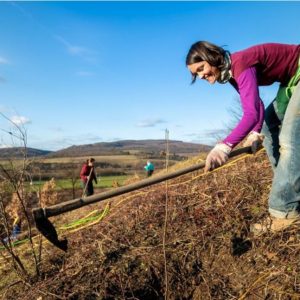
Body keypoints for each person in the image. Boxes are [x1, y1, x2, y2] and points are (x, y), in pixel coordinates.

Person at [186, 41, 300, 234]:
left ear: (212, 57)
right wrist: (256, 132)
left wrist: (224, 146)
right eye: (196, 74)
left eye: (201, 68)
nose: (201, 75)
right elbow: (257, 106)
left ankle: (285, 210)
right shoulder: (232, 74)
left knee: (289, 140)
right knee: (267, 127)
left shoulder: (241, 64)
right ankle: (290, 186)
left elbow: (251, 114)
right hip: (291, 80)